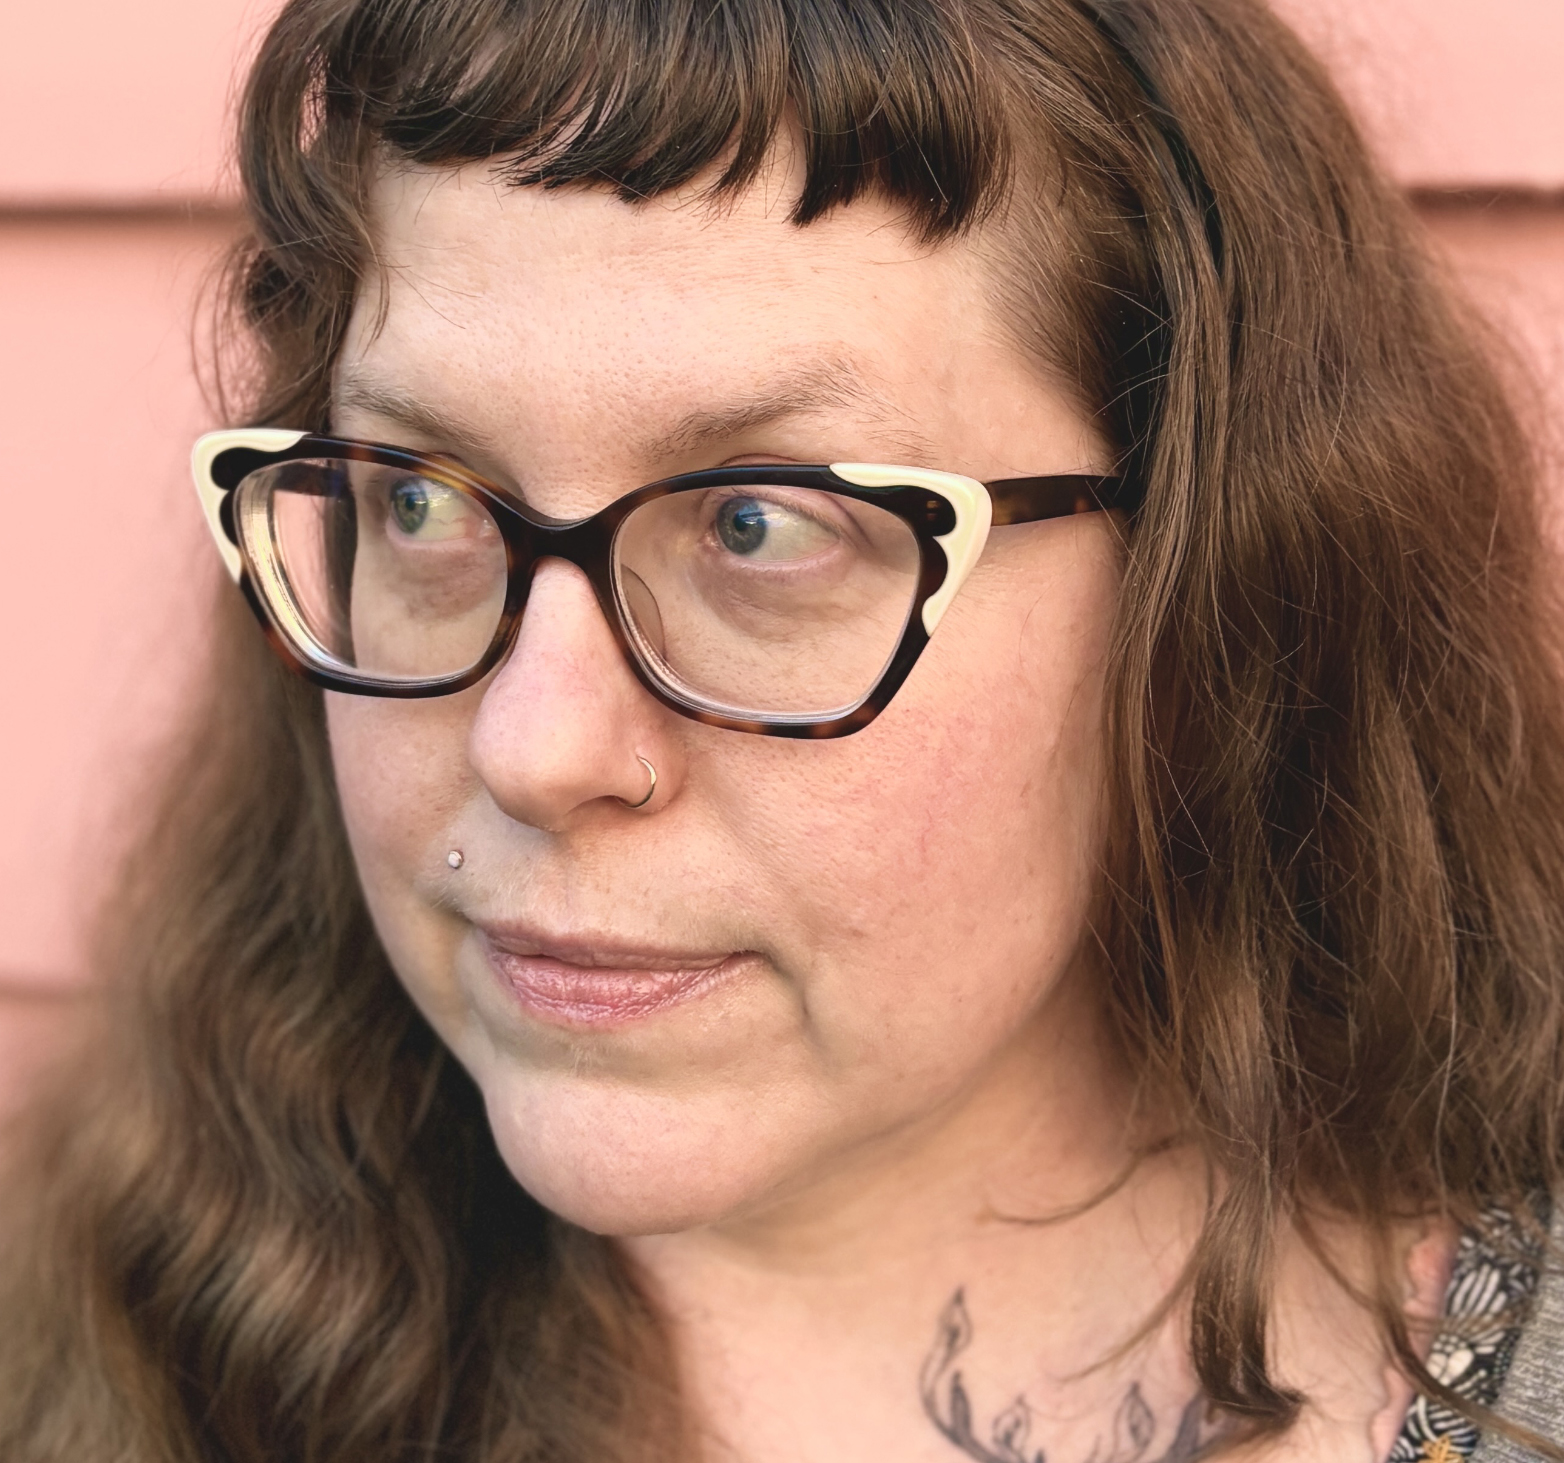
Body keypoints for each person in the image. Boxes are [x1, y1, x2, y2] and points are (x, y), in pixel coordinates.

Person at [3, 0, 1563, 1459]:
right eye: (422, 500)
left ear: (1207, 581)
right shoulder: (102, 1348)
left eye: (761, 526)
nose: (534, 748)